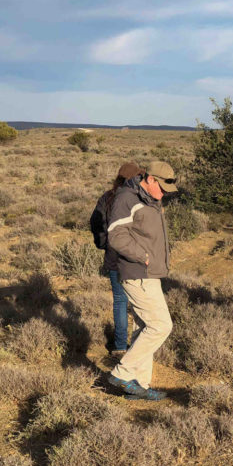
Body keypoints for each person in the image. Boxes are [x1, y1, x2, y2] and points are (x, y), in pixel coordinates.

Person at [106, 161, 178, 401]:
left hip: (149, 273)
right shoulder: (126, 198)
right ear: (150, 179)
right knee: (161, 325)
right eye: (163, 188)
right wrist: (143, 256)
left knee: (143, 327)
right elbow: (116, 236)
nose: (164, 194)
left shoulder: (148, 198)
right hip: (137, 272)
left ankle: (138, 385)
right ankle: (122, 373)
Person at [90, 162, 143, 357]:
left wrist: (104, 243)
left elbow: (96, 222)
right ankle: (139, 345)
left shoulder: (108, 198)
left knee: (120, 300)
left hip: (114, 254)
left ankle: (120, 346)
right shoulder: (139, 198)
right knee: (139, 301)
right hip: (136, 255)